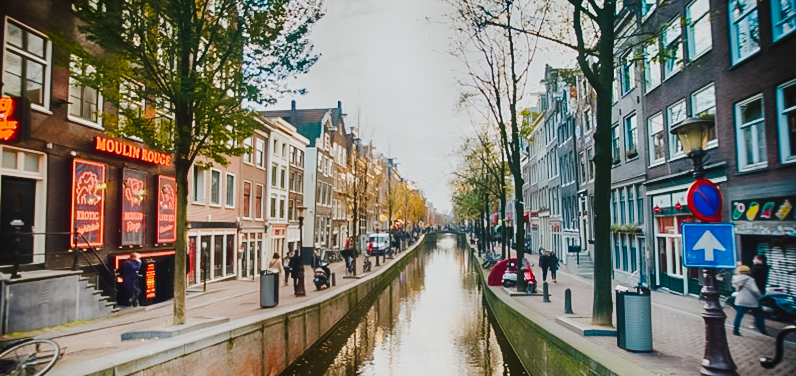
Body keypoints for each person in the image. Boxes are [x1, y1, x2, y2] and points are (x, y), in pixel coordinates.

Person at [732, 265, 767, 336]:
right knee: (758, 315)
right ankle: (761, 330)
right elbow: (755, 290)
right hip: (751, 301)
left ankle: (735, 330)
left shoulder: (735, 278)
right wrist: (760, 297)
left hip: (740, 300)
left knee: (739, 316)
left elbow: (736, 288)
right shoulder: (750, 279)